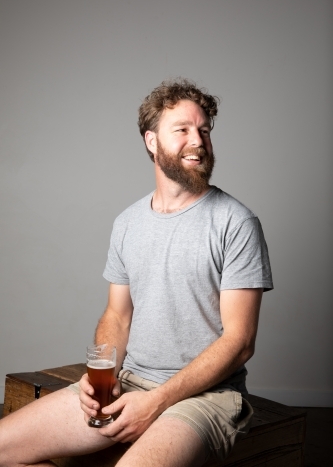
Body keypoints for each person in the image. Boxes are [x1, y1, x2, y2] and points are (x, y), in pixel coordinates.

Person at [0, 78, 273, 467]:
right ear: (151, 142)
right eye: (182, 130)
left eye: (204, 130)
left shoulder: (237, 222)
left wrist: (156, 402)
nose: (198, 140)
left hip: (206, 398)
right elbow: (117, 315)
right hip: (130, 382)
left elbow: (240, 340)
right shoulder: (128, 222)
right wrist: (103, 377)